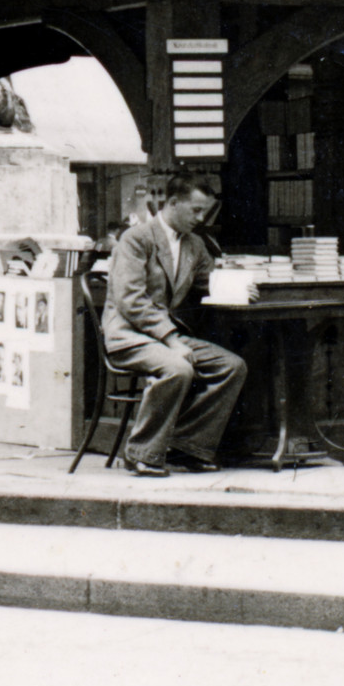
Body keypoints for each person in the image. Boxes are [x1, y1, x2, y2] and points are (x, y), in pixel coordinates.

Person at [104, 170, 247, 475]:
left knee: (232, 367)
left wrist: (239, 283)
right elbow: (131, 301)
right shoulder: (137, 239)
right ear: (171, 203)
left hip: (162, 337)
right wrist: (172, 340)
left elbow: (210, 282)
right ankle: (140, 452)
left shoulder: (195, 244)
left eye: (205, 212)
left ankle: (188, 446)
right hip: (128, 334)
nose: (201, 218)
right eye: (195, 210)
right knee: (178, 367)